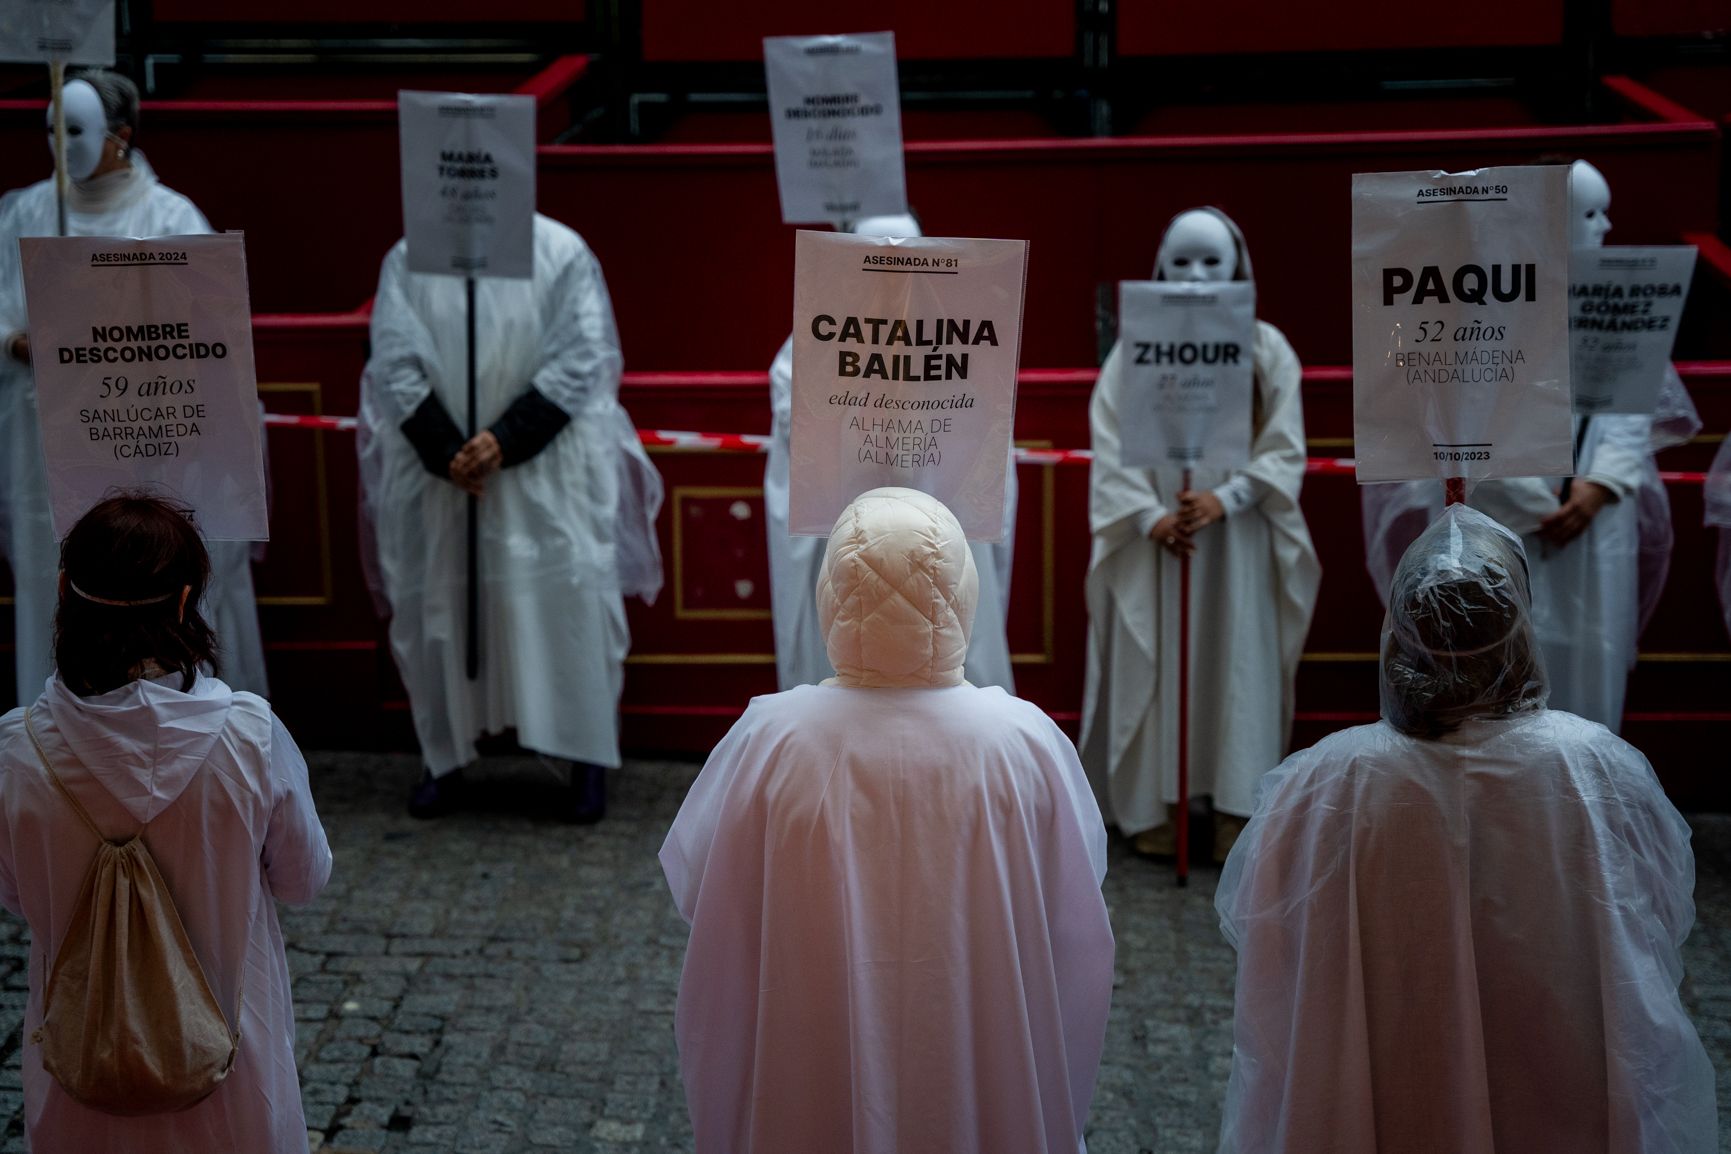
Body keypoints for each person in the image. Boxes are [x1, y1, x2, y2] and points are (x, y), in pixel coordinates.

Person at [1215, 504, 1715, 1153]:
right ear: (1519, 630)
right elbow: (1659, 915)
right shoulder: (1594, 767)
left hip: (1383, 1068)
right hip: (1560, 1070)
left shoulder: (1328, 776)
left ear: (1399, 633)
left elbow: (1268, 935)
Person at [662, 487, 1114, 1154]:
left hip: (806, 1032)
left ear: (831, 592)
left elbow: (700, 886)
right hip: (978, 1032)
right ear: (962, 591)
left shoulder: (771, 736)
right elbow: (1074, 901)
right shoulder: (1023, 740)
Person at [0, 494, 331, 1152]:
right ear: (185, 603)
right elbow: (303, 880)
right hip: (234, 1082)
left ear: (64, 593)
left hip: (80, 1083)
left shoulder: (16, 752)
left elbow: (16, 895)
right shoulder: (249, 736)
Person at [1361, 159, 1699, 731]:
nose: (1605, 226)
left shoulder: (1614, 302)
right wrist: (1528, 500)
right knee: (1497, 653)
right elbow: (1450, 409)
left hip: (1594, 520)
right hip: (1502, 514)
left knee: (1590, 657)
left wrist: (1602, 484)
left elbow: (1631, 395)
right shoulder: (1474, 298)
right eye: (1589, 214)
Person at [358, 212, 663, 821]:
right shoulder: (409, 256)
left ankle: (586, 756)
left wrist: (507, 437)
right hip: (444, 475)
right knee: (441, 603)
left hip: (547, 469)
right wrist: (445, 446)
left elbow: (583, 353)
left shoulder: (562, 251)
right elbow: (393, 357)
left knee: (567, 604)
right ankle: (443, 755)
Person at [0, 69, 269, 705]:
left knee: (155, 561)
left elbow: (206, 326)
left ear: (120, 135)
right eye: (50, 129)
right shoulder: (25, 212)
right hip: (48, 439)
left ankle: (176, 711)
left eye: (76, 130)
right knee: (56, 570)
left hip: (152, 436)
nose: (60, 145)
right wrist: (20, 342)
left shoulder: (170, 216)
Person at [1081, 207, 1319, 862]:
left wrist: (1227, 498)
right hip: (1160, 541)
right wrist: (1147, 516)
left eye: (1210, 261)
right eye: (1181, 261)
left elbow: (1283, 446)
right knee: (1159, 663)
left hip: (1237, 540)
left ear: (1236, 267)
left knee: (1235, 662)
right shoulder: (1132, 350)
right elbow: (1108, 444)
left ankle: (1234, 806)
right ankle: (1157, 805)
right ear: (1161, 265)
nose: (1194, 276)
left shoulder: (1266, 349)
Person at [764, 213, 1018, 691]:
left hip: (941, 533)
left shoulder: (960, 330)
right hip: (848, 533)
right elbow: (795, 420)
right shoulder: (811, 338)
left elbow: (984, 429)